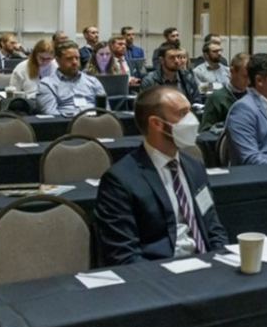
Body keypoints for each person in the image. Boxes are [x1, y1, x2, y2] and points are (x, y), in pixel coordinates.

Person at [94, 84, 227, 265]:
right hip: (161, 272)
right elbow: (123, 254)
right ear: (156, 123)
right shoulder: (120, 179)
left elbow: (212, 225)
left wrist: (222, 260)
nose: (192, 120)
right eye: (182, 114)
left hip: (207, 265)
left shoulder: (194, 166)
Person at [37, 41, 105, 116]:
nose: (75, 62)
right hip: (66, 124)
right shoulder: (47, 84)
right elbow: (51, 114)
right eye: (69, 59)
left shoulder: (93, 81)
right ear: (57, 60)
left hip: (96, 122)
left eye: (77, 58)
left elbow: (106, 110)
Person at [202, 52, 250, 128]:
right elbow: (205, 132)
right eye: (245, 76)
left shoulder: (253, 96)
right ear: (232, 71)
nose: (249, 81)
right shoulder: (216, 98)